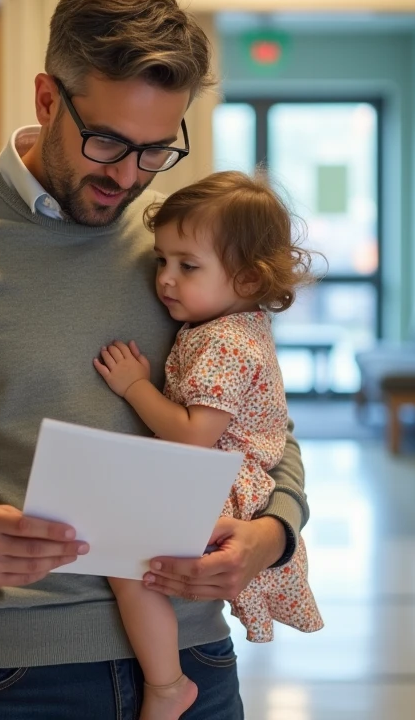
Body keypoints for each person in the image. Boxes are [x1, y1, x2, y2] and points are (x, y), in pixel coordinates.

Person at [0, 0, 312, 719]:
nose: (128, 176)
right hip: (15, 681)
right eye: (108, 141)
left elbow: (263, 425)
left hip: (195, 663)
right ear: (48, 99)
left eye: (155, 151)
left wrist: (270, 535)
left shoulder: (177, 247)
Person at [94, 172, 324, 719]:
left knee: (128, 567)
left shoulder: (224, 341)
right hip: (215, 479)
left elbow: (196, 435)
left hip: (219, 487)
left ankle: (169, 685)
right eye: (161, 262)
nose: (166, 280)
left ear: (247, 278)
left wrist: (135, 388)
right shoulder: (231, 324)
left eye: (187, 266)